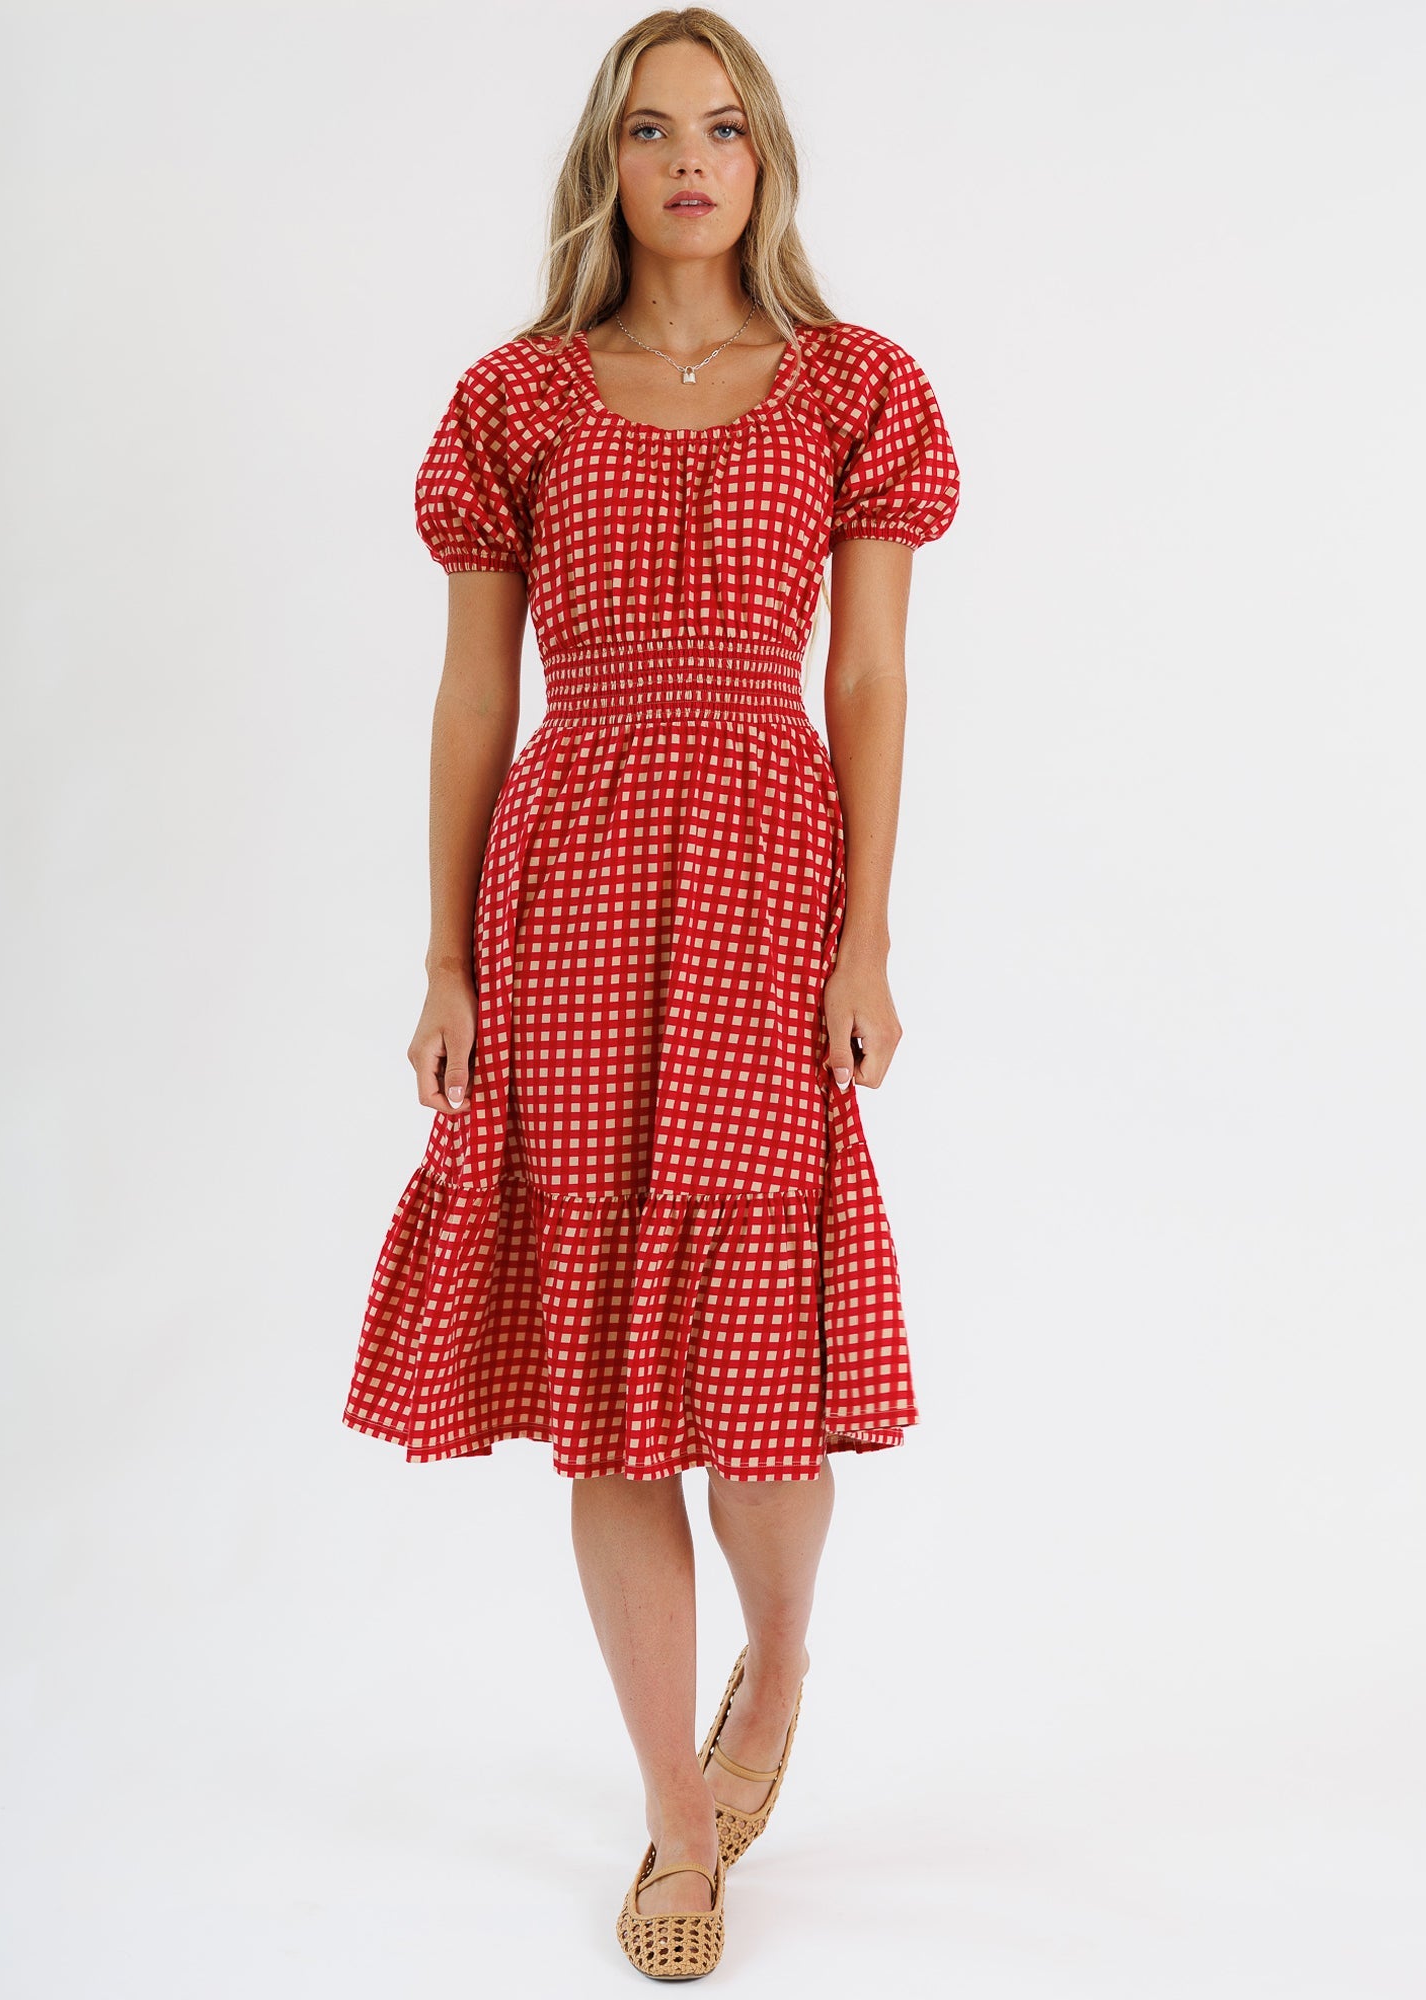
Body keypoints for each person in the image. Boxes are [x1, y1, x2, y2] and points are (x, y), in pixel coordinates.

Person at [341, 7, 960, 1978]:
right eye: (645, 132)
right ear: (603, 169)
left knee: (758, 1396)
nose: (686, 161)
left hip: (768, 868)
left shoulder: (850, 390)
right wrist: (442, 951)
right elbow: (468, 698)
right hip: (571, 880)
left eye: (719, 127)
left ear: (765, 158)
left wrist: (863, 934)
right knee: (609, 1397)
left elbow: (864, 681)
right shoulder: (517, 401)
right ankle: (674, 1823)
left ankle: (773, 1666)